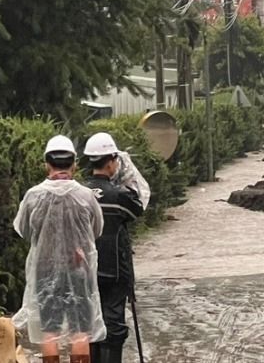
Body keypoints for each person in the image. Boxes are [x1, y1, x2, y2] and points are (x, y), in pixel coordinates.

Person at [13, 135, 106, 363]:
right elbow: (97, 231)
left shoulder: (33, 196)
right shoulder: (86, 196)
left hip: (45, 271)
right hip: (79, 270)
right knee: (80, 331)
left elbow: (24, 230)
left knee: (50, 331)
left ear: (47, 163)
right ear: (74, 163)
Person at [82, 132, 145, 363]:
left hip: (85, 270)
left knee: (89, 324)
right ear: (111, 162)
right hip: (115, 270)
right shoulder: (119, 195)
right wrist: (127, 176)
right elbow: (138, 206)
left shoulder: (79, 193)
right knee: (114, 325)